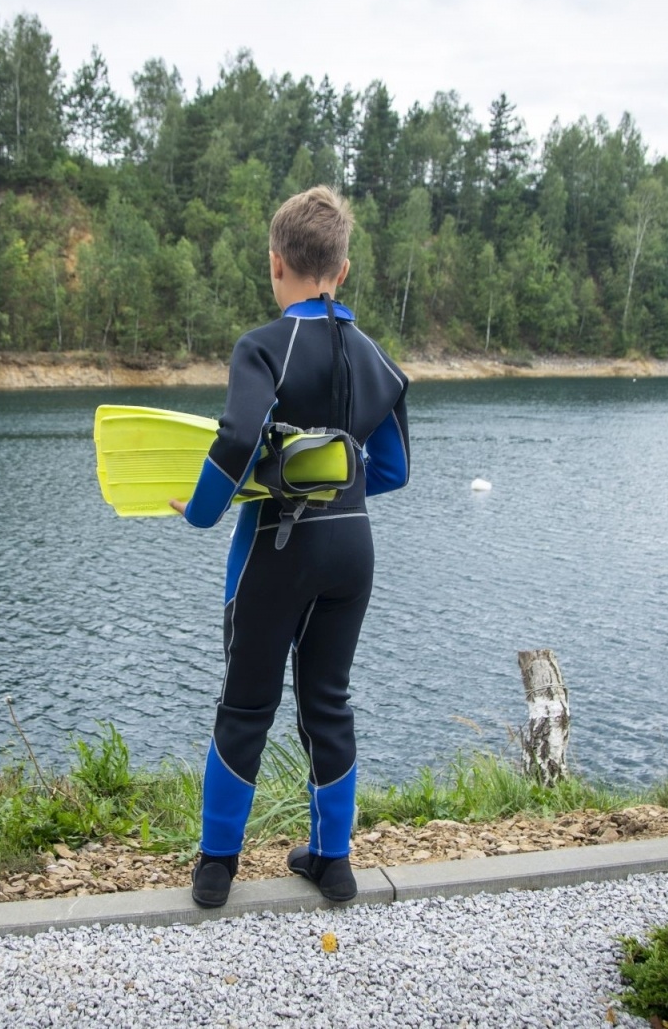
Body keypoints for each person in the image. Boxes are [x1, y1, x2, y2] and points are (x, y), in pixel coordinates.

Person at [170, 185, 410, 909]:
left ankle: (216, 870)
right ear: (343, 268)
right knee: (327, 701)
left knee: (246, 707)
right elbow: (392, 471)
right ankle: (332, 864)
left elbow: (238, 439)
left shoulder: (264, 347)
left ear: (277, 265)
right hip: (352, 548)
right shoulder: (380, 361)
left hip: (276, 548)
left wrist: (203, 512)